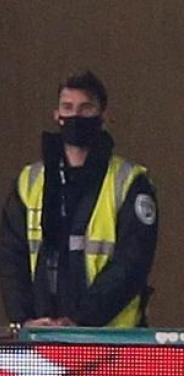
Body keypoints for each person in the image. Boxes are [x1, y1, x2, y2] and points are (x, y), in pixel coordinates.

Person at [0, 70, 158, 330]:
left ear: (104, 116)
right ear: (56, 115)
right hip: (41, 335)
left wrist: (79, 321)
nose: (75, 115)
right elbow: (12, 257)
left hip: (113, 340)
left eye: (86, 108)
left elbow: (131, 263)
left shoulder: (129, 183)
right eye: (68, 107)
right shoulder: (30, 181)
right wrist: (23, 320)